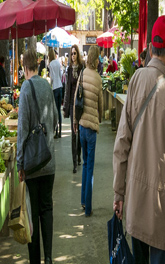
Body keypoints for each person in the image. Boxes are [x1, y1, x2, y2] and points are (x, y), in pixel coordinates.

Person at [112, 15, 165, 264]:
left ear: (149, 48)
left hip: (135, 198)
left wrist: (118, 192)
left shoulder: (135, 81)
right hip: (161, 206)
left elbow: (121, 143)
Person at [17, 48, 58, 264]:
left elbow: (22, 129)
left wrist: (20, 163)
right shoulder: (46, 85)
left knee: (32, 215)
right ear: (38, 65)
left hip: (33, 164)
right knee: (47, 209)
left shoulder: (26, 87)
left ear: (25, 67)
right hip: (48, 159)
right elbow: (53, 120)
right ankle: (49, 258)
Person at [73, 45, 103, 217]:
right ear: (97, 59)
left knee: (84, 164)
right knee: (90, 166)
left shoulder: (83, 74)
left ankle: (83, 201)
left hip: (82, 125)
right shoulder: (98, 79)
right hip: (91, 128)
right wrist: (100, 119)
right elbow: (100, 105)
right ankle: (89, 208)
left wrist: (76, 121)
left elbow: (77, 98)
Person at [63, 44, 83, 173]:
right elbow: (67, 89)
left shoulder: (82, 68)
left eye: (75, 53)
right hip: (71, 104)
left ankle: (79, 155)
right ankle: (74, 163)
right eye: (72, 53)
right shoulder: (69, 69)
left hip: (80, 104)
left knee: (79, 133)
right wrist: (65, 107)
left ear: (78, 54)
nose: (73, 56)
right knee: (73, 134)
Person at [49, 48, 63, 138]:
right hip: (60, 87)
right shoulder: (58, 62)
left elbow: (52, 77)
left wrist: (50, 84)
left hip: (54, 88)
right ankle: (60, 131)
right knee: (59, 110)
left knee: (55, 110)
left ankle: (56, 130)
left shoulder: (50, 64)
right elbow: (60, 75)